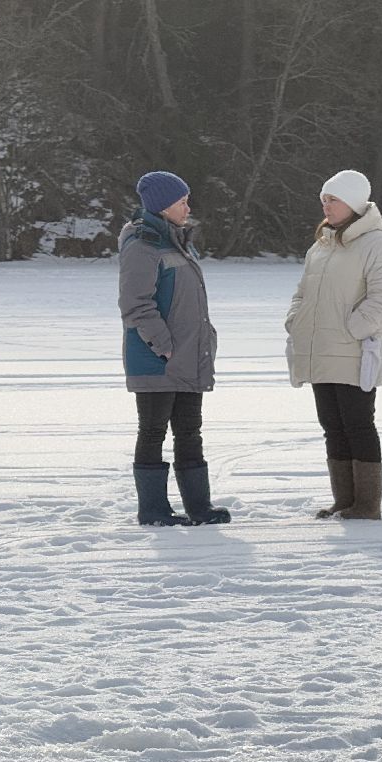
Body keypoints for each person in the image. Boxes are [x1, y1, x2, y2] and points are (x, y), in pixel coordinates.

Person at [284, 169, 382, 520]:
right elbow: (302, 293)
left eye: (333, 199)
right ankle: (344, 501)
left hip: (353, 351)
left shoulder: (376, 244)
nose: (326, 205)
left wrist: (353, 329)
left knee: (358, 425)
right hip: (319, 351)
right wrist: (295, 320)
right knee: (332, 427)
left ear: (353, 202)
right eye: (324, 199)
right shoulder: (321, 245)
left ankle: (367, 505)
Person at [118, 171, 230, 527]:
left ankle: (200, 507)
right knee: (153, 431)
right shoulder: (142, 245)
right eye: (182, 202)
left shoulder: (178, 242)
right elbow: (136, 305)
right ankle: (153, 510)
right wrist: (164, 347)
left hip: (188, 356)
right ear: (163, 206)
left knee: (190, 431)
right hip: (157, 360)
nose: (188, 207)